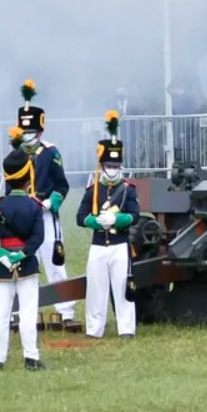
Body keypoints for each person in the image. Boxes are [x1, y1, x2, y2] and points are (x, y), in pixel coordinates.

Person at [0, 126, 47, 371]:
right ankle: (31, 358)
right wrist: (23, 254)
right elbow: (38, 237)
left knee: (1, 315)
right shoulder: (33, 206)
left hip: (3, 265)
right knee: (28, 313)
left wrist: (3, 256)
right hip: (27, 263)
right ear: (27, 176)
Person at [15, 79, 78, 329]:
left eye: (32, 132)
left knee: (54, 262)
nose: (28, 136)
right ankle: (22, 310)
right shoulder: (16, 153)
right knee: (22, 263)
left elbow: (62, 185)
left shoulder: (51, 153)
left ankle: (65, 310)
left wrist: (51, 202)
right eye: (24, 131)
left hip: (45, 213)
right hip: (22, 216)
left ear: (40, 132)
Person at [75, 110, 140, 339]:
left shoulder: (128, 189)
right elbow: (80, 216)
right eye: (108, 165)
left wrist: (116, 219)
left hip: (120, 244)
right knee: (96, 289)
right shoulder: (92, 190)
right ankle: (94, 329)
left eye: (116, 165)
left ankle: (127, 329)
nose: (112, 169)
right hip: (98, 245)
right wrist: (95, 221)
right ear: (101, 166)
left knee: (123, 287)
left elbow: (135, 215)